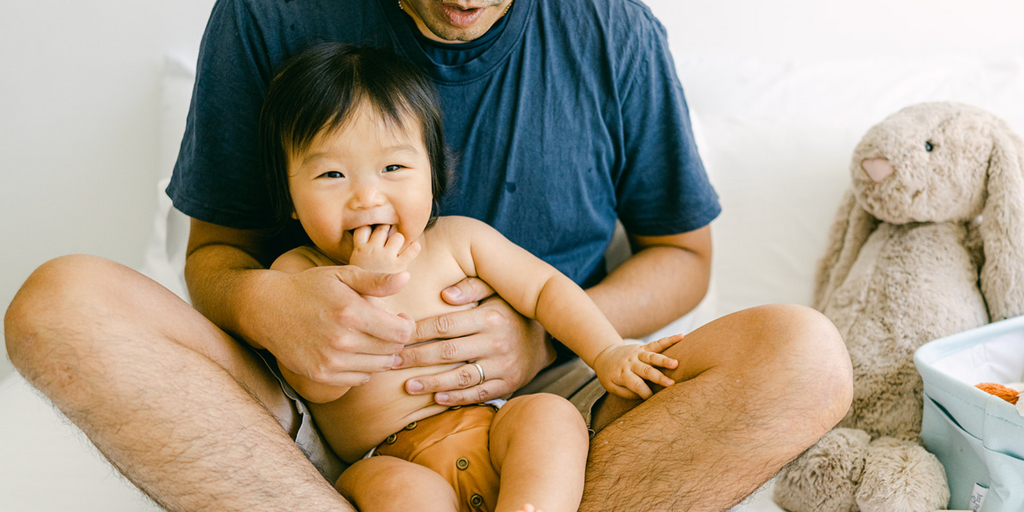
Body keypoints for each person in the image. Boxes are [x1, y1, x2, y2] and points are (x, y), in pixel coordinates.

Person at [4, 0, 854, 511]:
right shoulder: (270, 13)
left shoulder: (611, 29)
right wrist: (272, 305)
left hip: (543, 397)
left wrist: (548, 337)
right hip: (312, 409)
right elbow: (215, 256)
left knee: (806, 357)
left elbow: (683, 256)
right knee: (58, 302)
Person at [263, 42, 684, 512]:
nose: (367, 196)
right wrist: (365, 291)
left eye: (394, 167)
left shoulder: (459, 240)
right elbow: (317, 385)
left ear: (434, 175)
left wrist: (607, 351)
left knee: (549, 414)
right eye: (332, 175)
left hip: (492, 429)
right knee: (400, 492)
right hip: (388, 459)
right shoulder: (298, 274)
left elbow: (545, 290)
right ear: (291, 200)